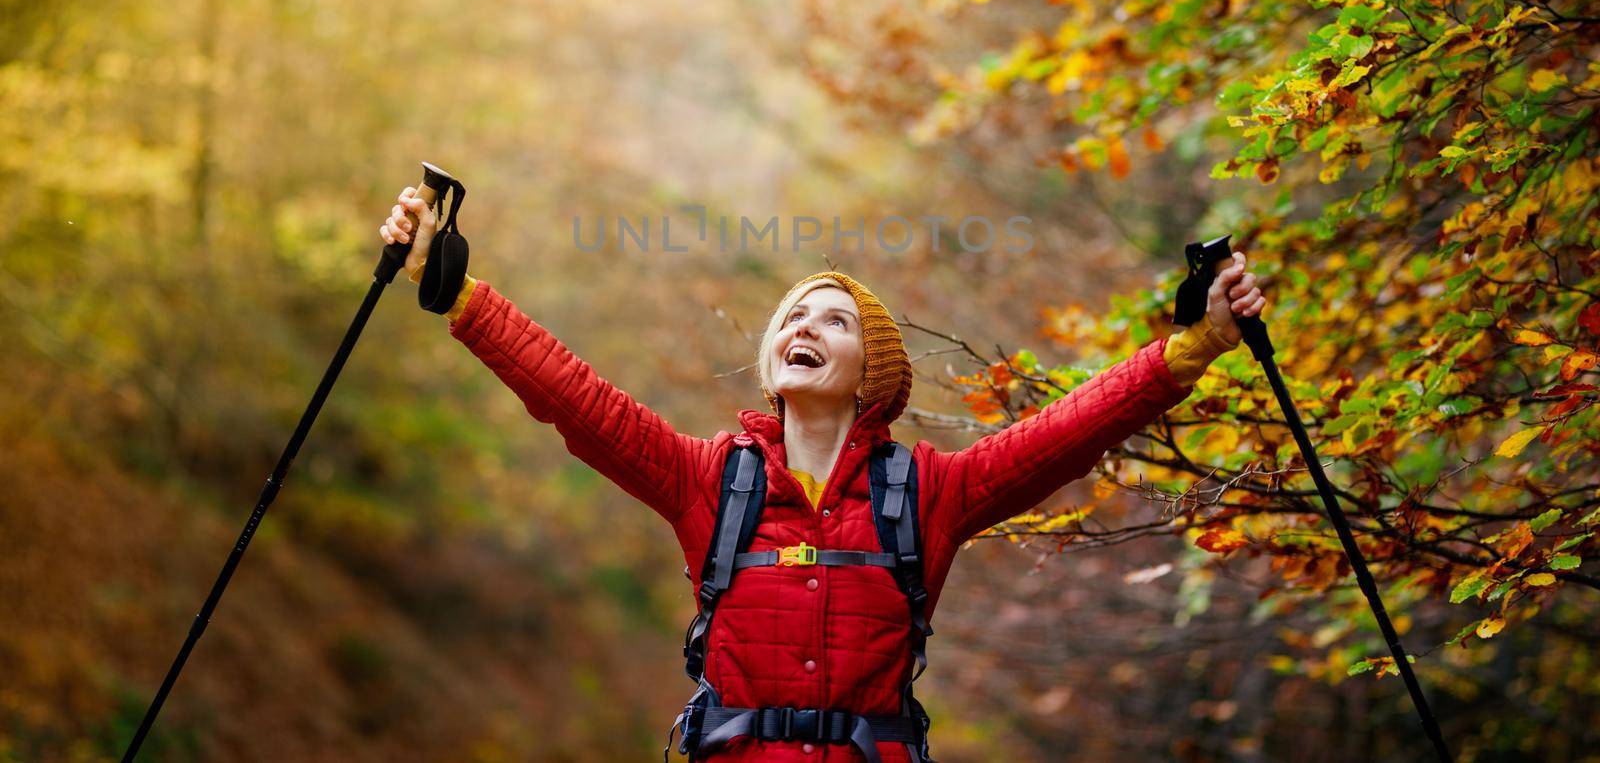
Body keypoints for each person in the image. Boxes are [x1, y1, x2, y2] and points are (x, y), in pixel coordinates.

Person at [381, 187, 1263, 761]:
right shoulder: (708, 480)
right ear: (771, 356)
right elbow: (575, 398)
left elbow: (1066, 433)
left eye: (834, 320)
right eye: (793, 315)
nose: (805, 324)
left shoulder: (927, 492)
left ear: (871, 370)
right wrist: (454, 290)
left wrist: (1197, 343)